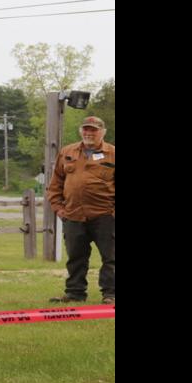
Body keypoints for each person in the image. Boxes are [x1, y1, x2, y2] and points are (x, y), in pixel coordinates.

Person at [46, 117, 115, 305]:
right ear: (80, 131)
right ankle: (75, 293)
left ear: (103, 132)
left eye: (93, 130)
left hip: (105, 215)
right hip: (73, 215)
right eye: (86, 129)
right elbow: (55, 184)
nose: (89, 133)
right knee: (76, 257)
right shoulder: (67, 152)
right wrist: (58, 208)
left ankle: (111, 294)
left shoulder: (112, 153)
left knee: (111, 258)